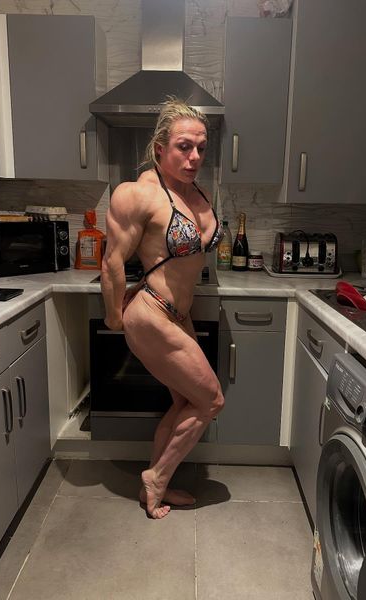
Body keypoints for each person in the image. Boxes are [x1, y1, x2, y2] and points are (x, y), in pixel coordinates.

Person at [101, 97, 225, 519]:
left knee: (186, 403)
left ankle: (154, 487)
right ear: (160, 148)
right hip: (152, 313)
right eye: (184, 147)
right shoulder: (138, 194)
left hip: (179, 314)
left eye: (201, 148)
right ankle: (155, 477)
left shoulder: (198, 193)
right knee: (210, 401)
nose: (194, 158)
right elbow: (112, 261)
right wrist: (114, 317)